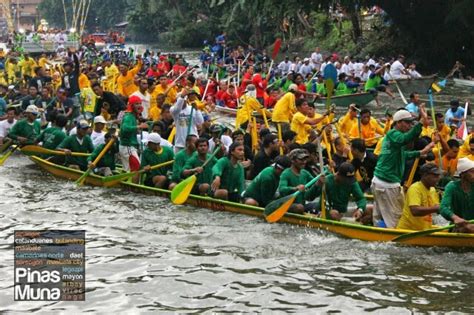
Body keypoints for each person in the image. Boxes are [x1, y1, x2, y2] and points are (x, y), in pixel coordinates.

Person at [371, 108, 434, 228]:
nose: (410, 126)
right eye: (407, 122)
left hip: (383, 182)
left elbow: (403, 155)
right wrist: (421, 122)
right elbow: (405, 139)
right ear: (398, 122)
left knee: (388, 215)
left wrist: (420, 152)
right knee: (396, 219)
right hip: (386, 184)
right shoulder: (394, 134)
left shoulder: (394, 139)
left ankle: (376, 227)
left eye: (411, 123)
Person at [396, 163, 442, 231]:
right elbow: (415, 211)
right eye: (435, 176)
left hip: (423, 230)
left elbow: (437, 207)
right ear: (425, 175)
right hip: (408, 230)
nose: (438, 179)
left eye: (438, 176)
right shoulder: (415, 188)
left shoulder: (433, 190)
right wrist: (437, 208)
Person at [278, 149, 322, 214]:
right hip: (287, 204)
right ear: (293, 160)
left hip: (302, 204)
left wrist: (319, 183)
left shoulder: (305, 173)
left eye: (305, 159)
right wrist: (295, 188)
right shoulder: (286, 173)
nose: (304, 162)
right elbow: (282, 189)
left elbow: (314, 186)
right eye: (301, 159)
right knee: (300, 207)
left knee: (320, 205)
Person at [440, 158, 474, 232]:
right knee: (466, 228)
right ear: (463, 174)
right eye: (472, 172)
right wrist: (455, 218)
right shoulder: (451, 187)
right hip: (460, 226)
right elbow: (443, 208)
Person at [119, 95, 150, 172]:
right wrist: (139, 127)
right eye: (136, 104)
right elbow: (124, 128)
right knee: (137, 167)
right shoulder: (129, 117)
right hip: (127, 146)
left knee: (129, 169)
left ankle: (125, 182)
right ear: (132, 106)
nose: (139, 105)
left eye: (140, 103)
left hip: (128, 146)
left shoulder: (132, 116)